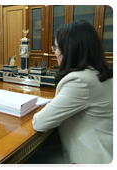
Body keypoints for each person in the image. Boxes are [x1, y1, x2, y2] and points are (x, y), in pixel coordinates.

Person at [32, 20, 115, 167]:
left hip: (89, 160)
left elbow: (40, 122)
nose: (55, 52)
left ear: (70, 50)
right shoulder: (100, 73)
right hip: (103, 148)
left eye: (56, 47)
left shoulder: (81, 81)